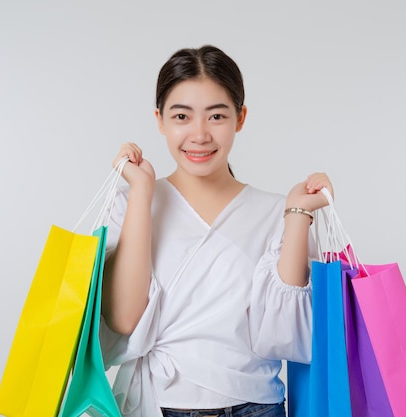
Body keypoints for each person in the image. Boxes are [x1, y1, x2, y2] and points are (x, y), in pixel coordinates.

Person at [98, 45, 334, 417]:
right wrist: (143, 193)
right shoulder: (133, 202)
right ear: (160, 120)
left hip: (256, 407)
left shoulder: (275, 210)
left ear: (240, 118)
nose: (200, 134)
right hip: (160, 405)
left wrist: (298, 213)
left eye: (216, 116)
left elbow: (285, 332)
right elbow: (125, 319)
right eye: (182, 116)